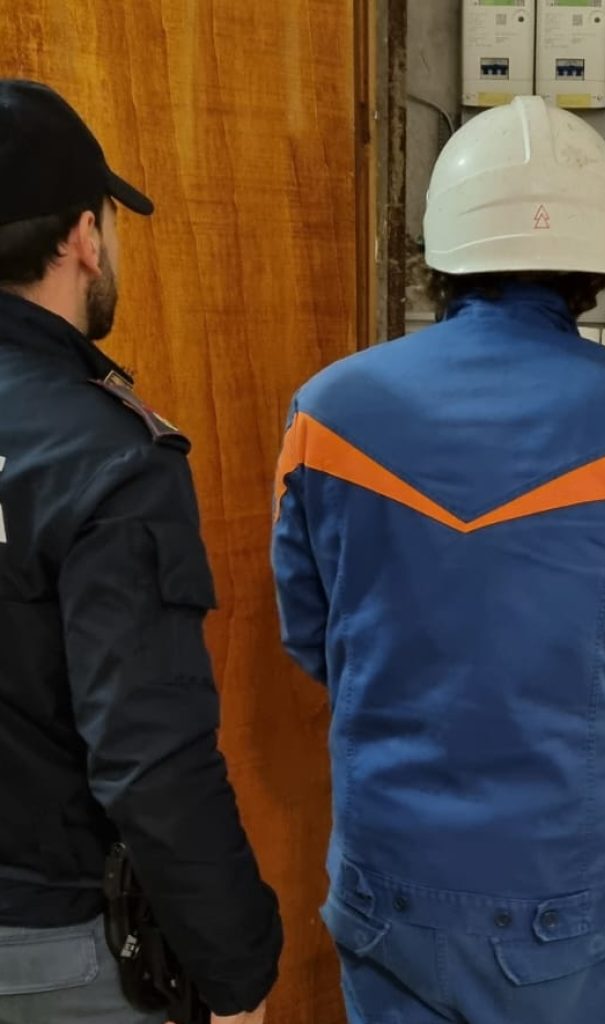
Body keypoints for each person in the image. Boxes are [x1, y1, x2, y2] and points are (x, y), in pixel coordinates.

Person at [272, 96, 605, 1024]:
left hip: (386, 880)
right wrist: (571, 723)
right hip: (563, 883)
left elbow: (312, 631)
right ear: (595, 262)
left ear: (443, 250)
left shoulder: (327, 412)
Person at [0, 80, 281, 1024]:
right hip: (47, 954)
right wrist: (238, 970)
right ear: (85, 236)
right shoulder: (105, 455)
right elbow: (150, 757)